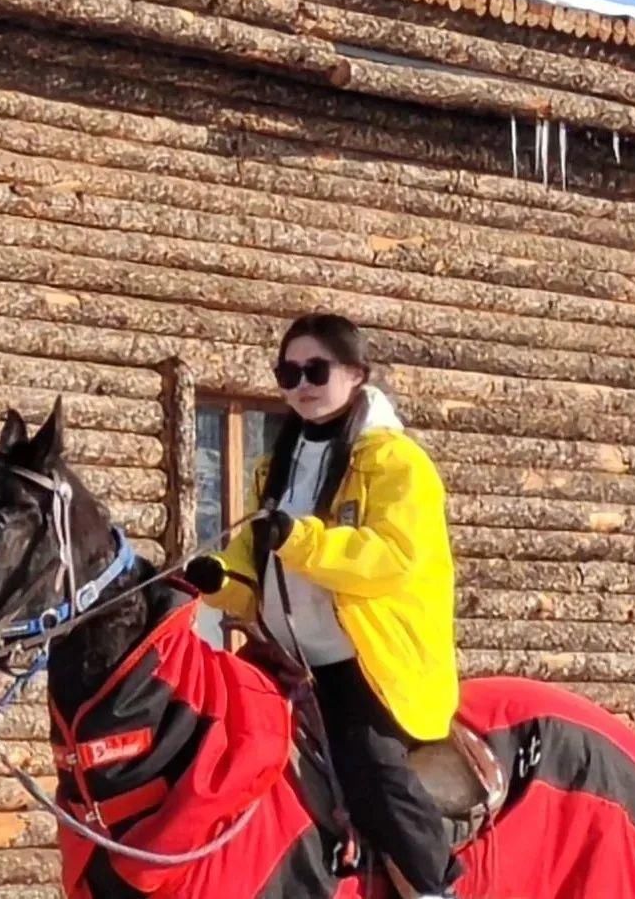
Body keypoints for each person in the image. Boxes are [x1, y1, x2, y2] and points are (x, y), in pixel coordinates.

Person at [184, 313, 460, 899]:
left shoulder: (397, 464)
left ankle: (434, 887)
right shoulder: (276, 469)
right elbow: (249, 564)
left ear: (356, 374)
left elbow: (392, 558)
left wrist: (301, 539)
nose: (301, 384)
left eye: (316, 370)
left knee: (371, 771)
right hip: (289, 659)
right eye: (288, 372)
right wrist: (218, 580)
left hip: (369, 664)